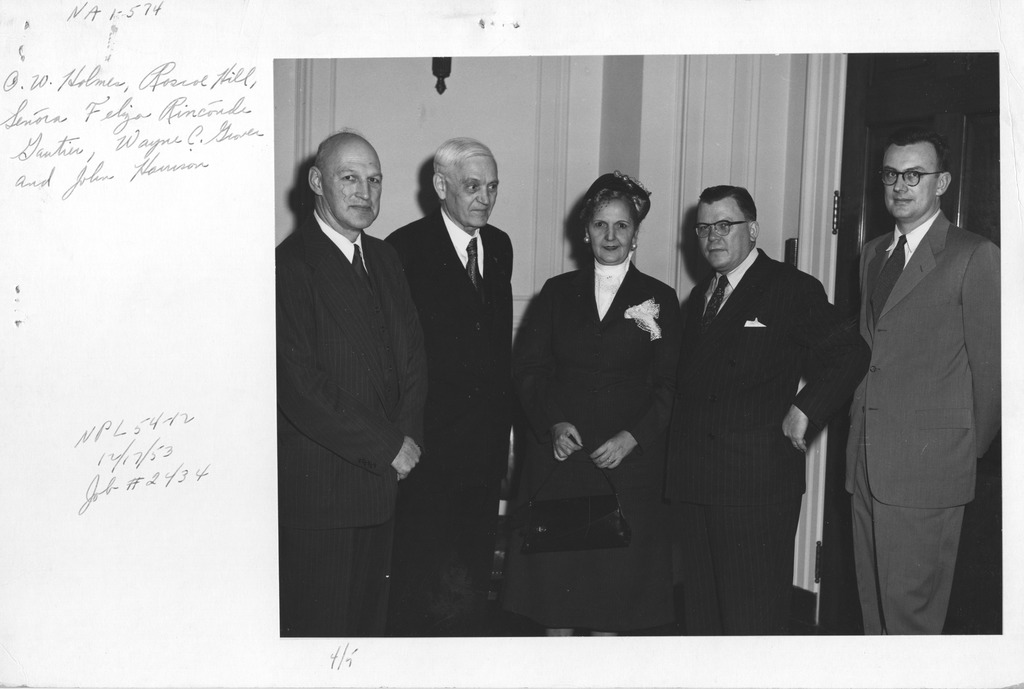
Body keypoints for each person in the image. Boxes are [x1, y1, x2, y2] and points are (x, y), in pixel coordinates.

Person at [666, 185, 870, 635]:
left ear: (753, 229)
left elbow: (851, 352)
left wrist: (805, 408)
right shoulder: (701, 295)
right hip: (696, 481)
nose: (713, 237)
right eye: (704, 228)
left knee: (751, 619)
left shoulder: (789, 288)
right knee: (702, 618)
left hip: (754, 485)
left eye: (725, 225)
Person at [502, 171, 682, 635]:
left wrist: (633, 437)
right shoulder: (557, 293)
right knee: (557, 611)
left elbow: (670, 385)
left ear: (636, 235)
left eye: (621, 226)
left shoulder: (660, 298)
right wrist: (554, 425)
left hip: (626, 473)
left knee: (611, 611)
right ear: (585, 232)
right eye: (601, 225)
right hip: (565, 468)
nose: (610, 236)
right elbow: (529, 371)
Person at [846, 127, 1000, 635]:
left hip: (928, 467)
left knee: (911, 618)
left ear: (943, 183)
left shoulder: (973, 255)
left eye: (915, 174)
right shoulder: (872, 254)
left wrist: (959, 452)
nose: (900, 185)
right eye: (891, 174)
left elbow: (993, 369)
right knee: (874, 610)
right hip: (867, 459)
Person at [276, 130, 427, 637]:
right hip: (324, 491)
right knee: (321, 640)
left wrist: (407, 441)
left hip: (385, 485)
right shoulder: (289, 265)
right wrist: (389, 445)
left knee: (366, 635)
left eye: (374, 180)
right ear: (318, 182)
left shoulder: (384, 257)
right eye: (350, 178)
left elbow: (412, 358)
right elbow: (300, 387)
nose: (365, 191)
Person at [384, 138, 513, 635]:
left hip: (482, 451)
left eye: (492, 187)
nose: (484, 198)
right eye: (472, 186)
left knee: (471, 581)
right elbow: (397, 358)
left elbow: (496, 349)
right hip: (428, 450)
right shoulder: (405, 248)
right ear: (441, 186)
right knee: (422, 581)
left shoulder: (499, 246)